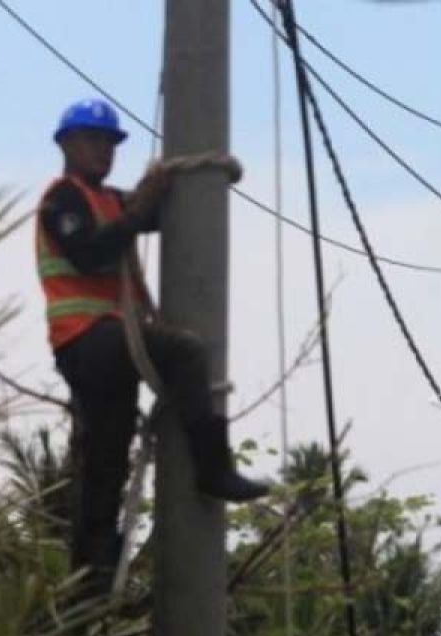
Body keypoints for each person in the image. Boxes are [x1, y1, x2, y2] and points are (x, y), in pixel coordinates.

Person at [38, 98, 269, 600]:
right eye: (93, 141)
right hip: (85, 338)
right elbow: (92, 253)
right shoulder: (62, 201)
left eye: (109, 143)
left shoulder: (110, 202)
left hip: (107, 342)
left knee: (108, 454)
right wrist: (138, 210)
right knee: (184, 351)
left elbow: (159, 219)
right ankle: (213, 467)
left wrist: (196, 187)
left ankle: (94, 570)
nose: (103, 151)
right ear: (67, 145)